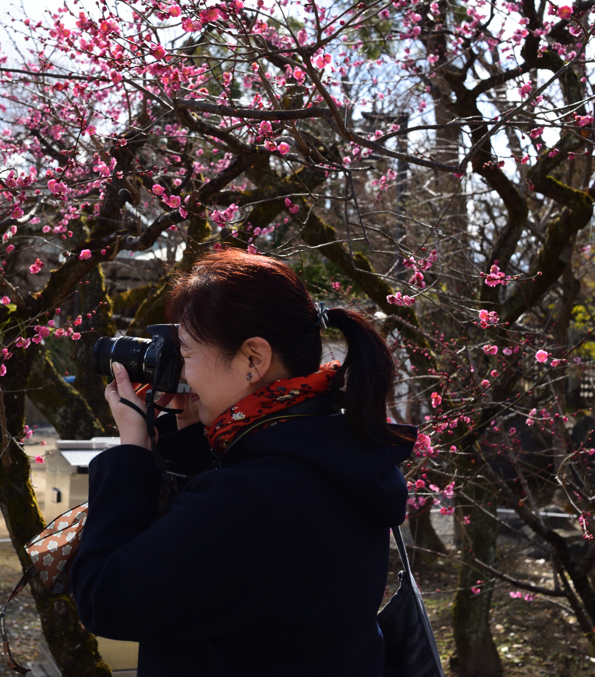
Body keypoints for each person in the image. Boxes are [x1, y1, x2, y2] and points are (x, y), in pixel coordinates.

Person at [70, 249, 416, 676]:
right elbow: (226, 572)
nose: (182, 372)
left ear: (253, 359)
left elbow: (105, 598)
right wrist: (187, 436)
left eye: (188, 353)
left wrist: (131, 452)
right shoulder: (331, 454)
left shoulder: (253, 496)